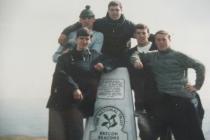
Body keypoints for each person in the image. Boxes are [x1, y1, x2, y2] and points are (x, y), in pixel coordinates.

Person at [130, 30, 205, 140]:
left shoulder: (179, 55)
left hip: (182, 101)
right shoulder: (153, 56)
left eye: (164, 39)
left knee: (189, 136)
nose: (161, 42)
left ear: (169, 40)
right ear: (155, 41)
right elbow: (135, 54)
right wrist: (136, 61)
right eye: (158, 40)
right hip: (164, 102)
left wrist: (197, 86)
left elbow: (200, 66)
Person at [47, 27, 108, 140]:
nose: (84, 41)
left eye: (87, 39)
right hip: (60, 99)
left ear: (90, 40)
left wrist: (104, 66)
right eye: (81, 38)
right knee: (57, 135)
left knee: (75, 134)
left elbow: (112, 61)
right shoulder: (64, 57)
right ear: (76, 39)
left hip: (78, 102)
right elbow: (60, 74)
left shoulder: (96, 56)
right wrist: (74, 88)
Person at [58, 0, 135, 67]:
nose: (114, 12)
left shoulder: (129, 25)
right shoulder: (100, 23)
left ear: (121, 10)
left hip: (122, 57)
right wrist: (65, 32)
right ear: (108, 11)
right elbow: (82, 23)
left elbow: (144, 34)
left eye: (117, 10)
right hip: (104, 58)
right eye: (112, 10)